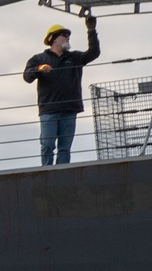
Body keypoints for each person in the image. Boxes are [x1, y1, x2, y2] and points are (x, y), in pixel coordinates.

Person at [23, 17, 100, 166]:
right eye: (64, 35)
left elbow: (94, 52)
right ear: (53, 39)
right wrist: (38, 70)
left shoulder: (75, 57)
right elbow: (27, 76)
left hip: (69, 109)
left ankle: (62, 174)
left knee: (65, 148)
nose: (67, 38)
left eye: (68, 35)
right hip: (49, 110)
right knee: (47, 146)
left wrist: (91, 30)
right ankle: (47, 172)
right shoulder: (39, 59)